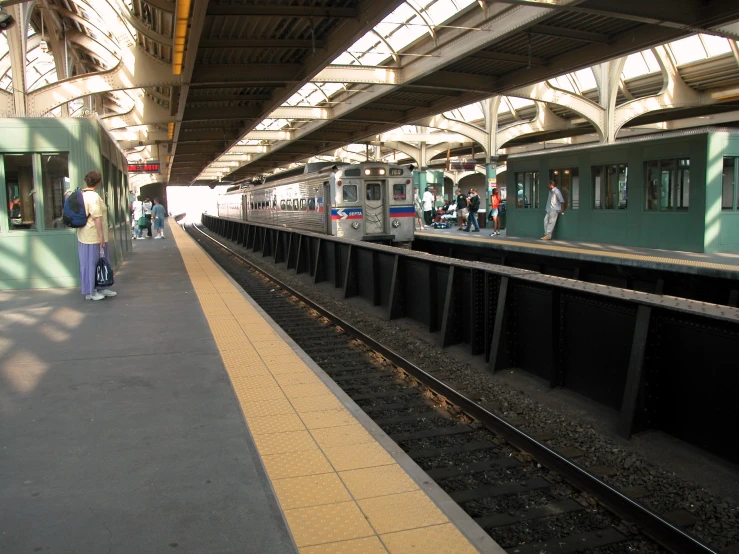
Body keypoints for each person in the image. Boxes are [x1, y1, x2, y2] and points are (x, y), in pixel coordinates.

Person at [77, 171, 116, 301]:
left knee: (100, 262)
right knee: (91, 263)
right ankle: (90, 291)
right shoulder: (93, 197)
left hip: (87, 235)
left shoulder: (82, 195)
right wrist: (101, 237)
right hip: (92, 236)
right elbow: (97, 218)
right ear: (98, 182)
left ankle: (101, 287)